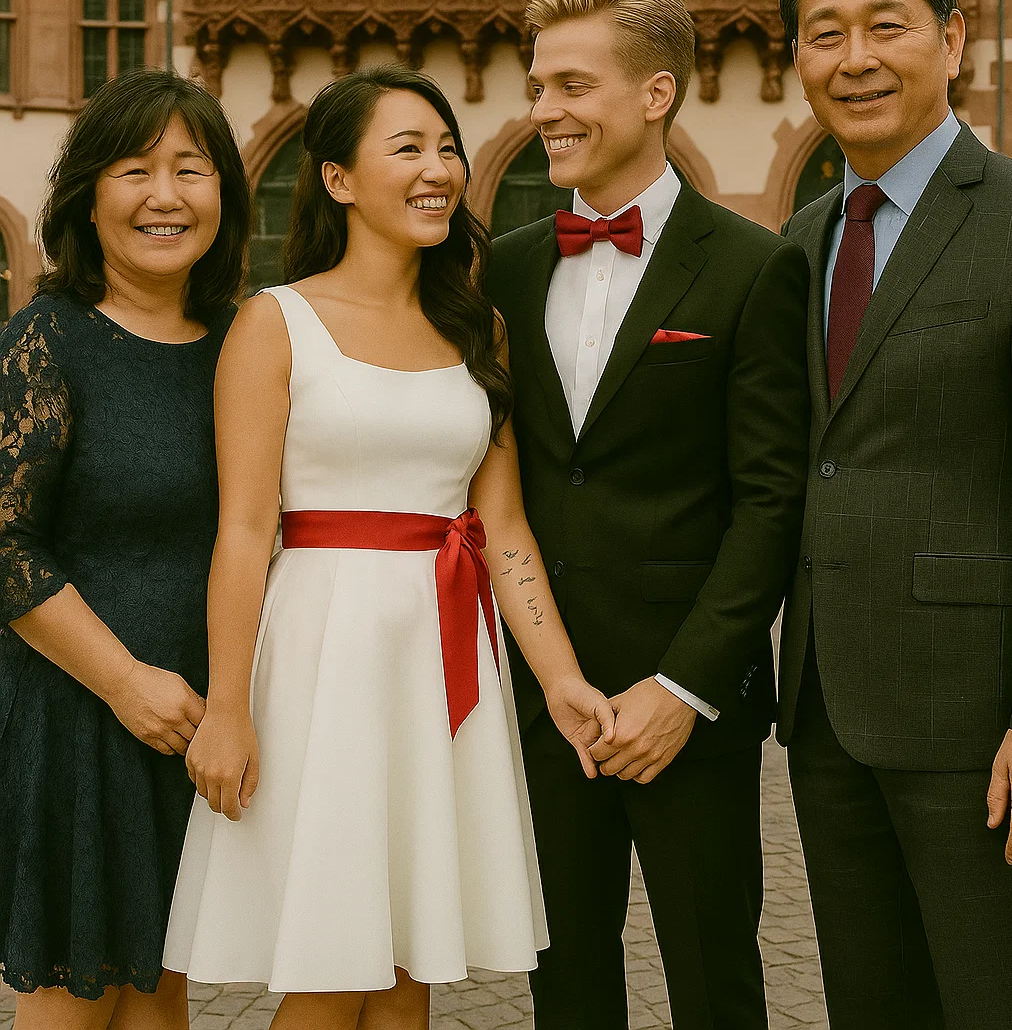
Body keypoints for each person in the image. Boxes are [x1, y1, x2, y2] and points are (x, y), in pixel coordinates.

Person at [163, 66, 614, 1030]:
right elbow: (244, 531)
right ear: (337, 180)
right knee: (333, 972)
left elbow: (505, 535)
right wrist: (228, 710)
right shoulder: (273, 323)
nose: (439, 169)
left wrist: (563, 680)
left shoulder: (475, 327)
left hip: (444, 663)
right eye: (406, 148)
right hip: (322, 663)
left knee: (411, 968)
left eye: (447, 146)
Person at [486, 0, 811, 1030]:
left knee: (719, 987)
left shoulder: (755, 268)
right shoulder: (509, 268)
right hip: (547, 702)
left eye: (571, 86)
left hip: (691, 712)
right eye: (538, 87)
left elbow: (770, 502)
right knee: (564, 991)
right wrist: (555, 679)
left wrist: (682, 688)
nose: (543, 112)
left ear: (655, 95)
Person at [775, 0, 1012, 1029]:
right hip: (825, 715)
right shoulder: (800, 240)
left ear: (952, 38)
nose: (856, 57)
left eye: (886, 24)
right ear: (797, 61)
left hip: (979, 732)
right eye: (825, 34)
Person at [0, 70, 251, 1028]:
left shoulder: (242, 341)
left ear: (224, 194)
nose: (165, 196)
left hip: (197, 723)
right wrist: (125, 684)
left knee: (161, 1003)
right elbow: (6, 544)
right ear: (88, 198)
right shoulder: (48, 339)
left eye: (191, 170)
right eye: (134, 170)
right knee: (77, 1001)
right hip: (81, 718)